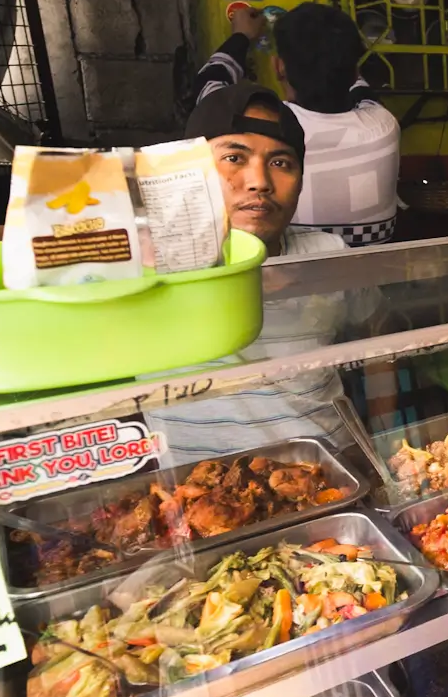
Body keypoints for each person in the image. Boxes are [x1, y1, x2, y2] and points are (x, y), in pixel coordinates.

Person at [146, 82, 392, 465]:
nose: (260, 181)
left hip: (330, 479)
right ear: (189, 173)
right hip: (198, 499)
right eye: (234, 158)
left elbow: (380, 334)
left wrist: (383, 438)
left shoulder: (329, 258)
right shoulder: (146, 265)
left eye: (281, 163)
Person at [192, 3, 400, 248]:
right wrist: (335, 55)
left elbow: (210, 83)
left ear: (279, 67)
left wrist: (242, 35)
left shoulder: (265, 129)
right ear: (354, 73)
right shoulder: (384, 124)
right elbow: (360, 89)